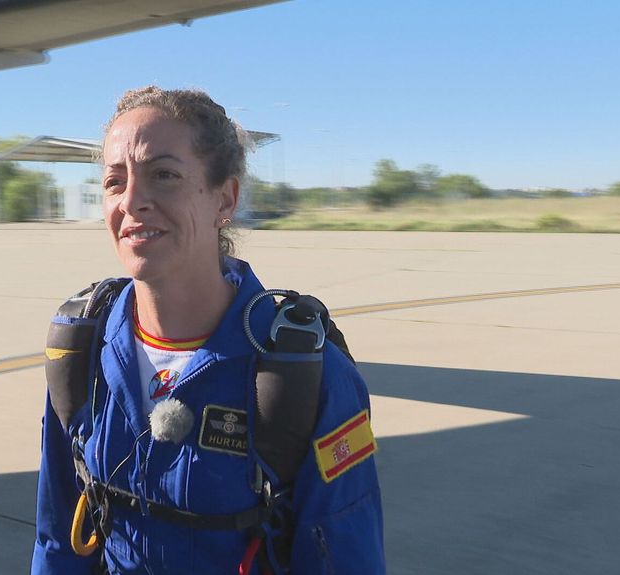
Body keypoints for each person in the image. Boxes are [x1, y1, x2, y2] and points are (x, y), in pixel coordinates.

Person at [32, 86, 384, 574]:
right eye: (115, 182)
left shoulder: (306, 378)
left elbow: (346, 558)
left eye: (164, 175)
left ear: (225, 199)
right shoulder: (78, 350)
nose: (132, 201)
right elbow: (56, 541)